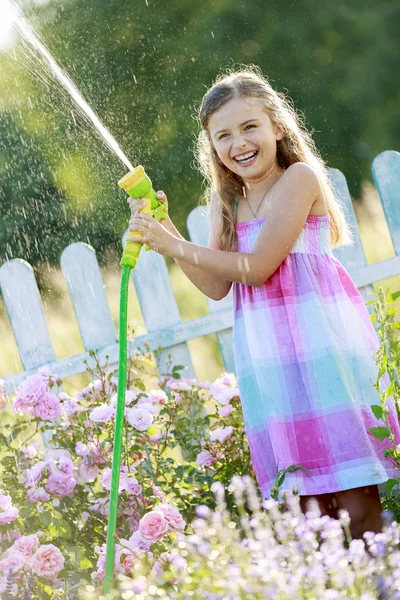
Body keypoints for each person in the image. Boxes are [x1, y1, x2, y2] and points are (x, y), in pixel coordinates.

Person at [127, 67, 400, 540]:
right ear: (212, 146)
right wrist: (166, 228)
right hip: (271, 361)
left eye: (249, 126)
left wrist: (171, 246)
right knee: (304, 501)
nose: (239, 143)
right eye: (223, 135)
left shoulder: (299, 178)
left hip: (324, 352)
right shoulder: (226, 201)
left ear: (276, 125)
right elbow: (216, 286)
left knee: (355, 496)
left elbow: (258, 267)